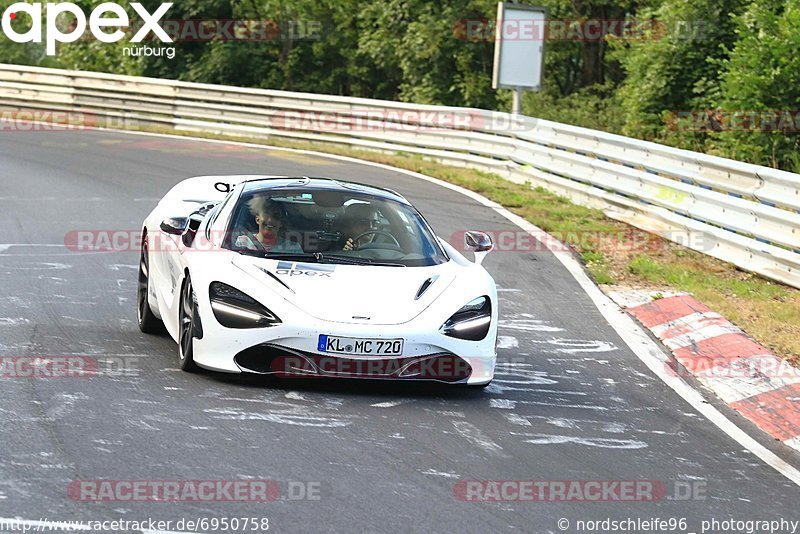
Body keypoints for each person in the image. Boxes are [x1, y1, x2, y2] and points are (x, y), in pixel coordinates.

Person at [235, 195, 303, 253]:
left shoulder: (293, 248)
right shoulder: (244, 242)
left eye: (276, 216)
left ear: (281, 223)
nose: (270, 220)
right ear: (257, 219)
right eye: (266, 214)